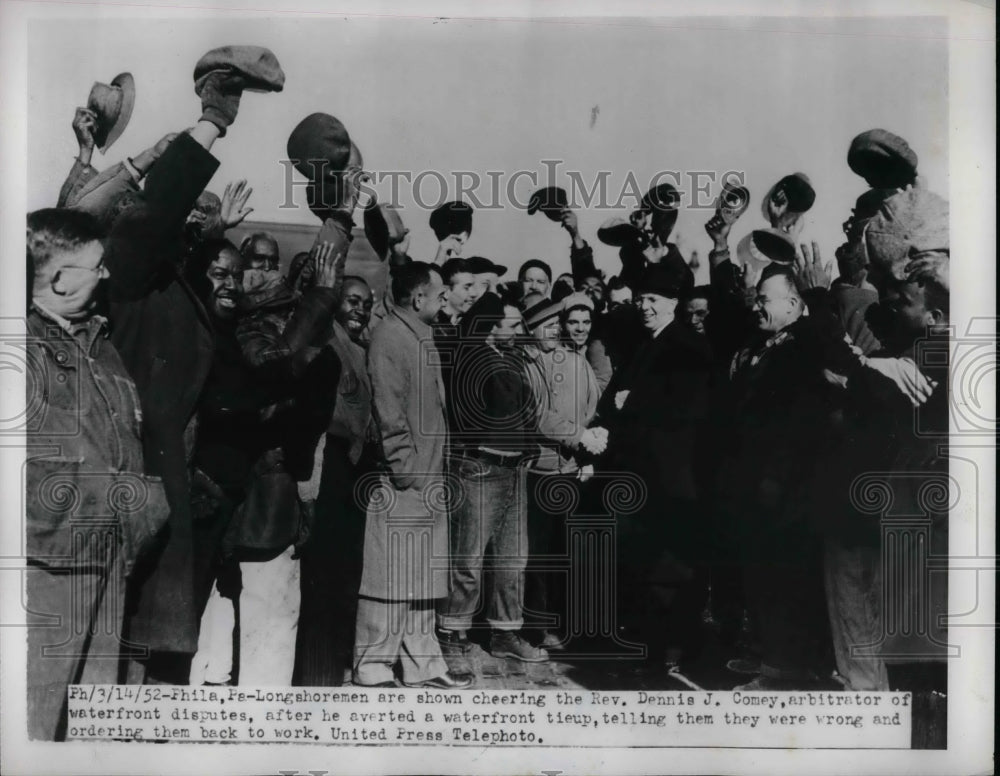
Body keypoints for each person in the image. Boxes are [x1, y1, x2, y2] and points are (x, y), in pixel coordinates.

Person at [115, 55, 283, 683]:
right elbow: (149, 222)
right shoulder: (135, 291)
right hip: (128, 499)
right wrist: (213, 119)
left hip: (173, 505)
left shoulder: (196, 309)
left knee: (161, 663)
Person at [25, 208, 169, 739]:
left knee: (94, 714)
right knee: (34, 717)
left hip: (109, 550)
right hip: (49, 562)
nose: (107, 275)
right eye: (97, 265)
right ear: (61, 279)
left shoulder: (100, 343)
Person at [716, 265, 838, 690]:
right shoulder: (762, 343)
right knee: (763, 576)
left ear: (793, 304)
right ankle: (772, 658)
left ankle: (783, 672)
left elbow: (798, 426)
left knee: (783, 580)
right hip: (754, 482)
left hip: (784, 488)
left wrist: (773, 481)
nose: (757, 306)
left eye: (764, 299)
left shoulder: (800, 348)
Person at [354, 262, 472, 688]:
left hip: (426, 480)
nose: (446, 300)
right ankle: (372, 665)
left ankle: (422, 666)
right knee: (389, 577)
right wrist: (407, 473)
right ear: (418, 297)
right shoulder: (390, 336)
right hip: (405, 481)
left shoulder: (418, 334)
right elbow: (389, 410)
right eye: (440, 294)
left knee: (422, 578)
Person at [598, 262, 714, 665]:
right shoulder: (646, 344)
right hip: (642, 477)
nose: (644, 306)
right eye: (642, 299)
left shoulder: (687, 347)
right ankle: (653, 647)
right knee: (645, 567)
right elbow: (614, 400)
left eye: (653, 300)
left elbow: (687, 415)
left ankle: (670, 651)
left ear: (674, 304)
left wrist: (632, 406)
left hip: (670, 481)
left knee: (669, 570)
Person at [437, 290, 547, 665]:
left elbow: (523, 414)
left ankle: (505, 633)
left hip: (514, 471)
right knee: (468, 558)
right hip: (480, 470)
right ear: (489, 326)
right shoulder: (470, 358)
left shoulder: (508, 358)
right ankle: (453, 632)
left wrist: (527, 447)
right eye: (512, 324)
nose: (519, 330)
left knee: (512, 560)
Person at [294, 273, 378, 686]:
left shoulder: (361, 350)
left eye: (365, 303)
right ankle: (317, 674)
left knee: (344, 572)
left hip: (353, 473)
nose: (359, 309)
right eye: (351, 301)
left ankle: (330, 668)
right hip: (329, 466)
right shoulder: (328, 349)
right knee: (324, 574)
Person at [521, 296, 604, 650]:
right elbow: (537, 414)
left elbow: (590, 407)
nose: (553, 331)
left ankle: (566, 623)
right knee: (538, 556)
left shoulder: (577, 362)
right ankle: (538, 627)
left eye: (557, 324)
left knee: (566, 552)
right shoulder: (527, 364)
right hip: (538, 472)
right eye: (546, 326)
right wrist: (578, 435)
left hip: (570, 472)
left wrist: (587, 446)